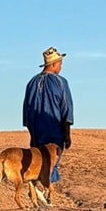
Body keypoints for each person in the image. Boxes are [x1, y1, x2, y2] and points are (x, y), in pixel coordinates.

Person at [23, 46, 74, 189]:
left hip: (35, 132)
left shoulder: (31, 83)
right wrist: (67, 133)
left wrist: (32, 131)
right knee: (51, 163)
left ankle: (37, 193)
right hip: (54, 132)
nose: (61, 66)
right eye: (60, 63)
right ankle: (48, 195)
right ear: (53, 64)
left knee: (37, 162)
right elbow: (66, 109)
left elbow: (26, 111)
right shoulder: (60, 82)